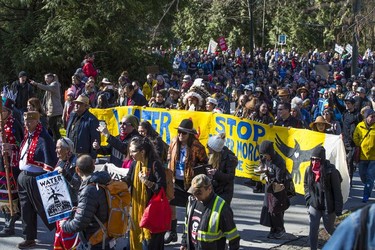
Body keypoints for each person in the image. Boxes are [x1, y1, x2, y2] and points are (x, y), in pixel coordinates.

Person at [16, 111, 57, 249]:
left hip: (36, 178)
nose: (27, 124)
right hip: (23, 177)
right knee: (26, 209)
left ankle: (62, 232)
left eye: (30, 121)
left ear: (37, 122)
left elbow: (49, 157)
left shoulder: (44, 137)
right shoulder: (28, 136)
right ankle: (29, 237)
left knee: (44, 208)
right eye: (26, 121)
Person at [165, 119, 208, 244]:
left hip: (189, 182)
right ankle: (172, 231)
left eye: (184, 133)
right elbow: (169, 155)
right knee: (170, 203)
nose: (180, 135)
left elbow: (204, 162)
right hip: (174, 180)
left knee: (190, 209)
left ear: (189, 134)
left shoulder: (197, 146)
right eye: (179, 132)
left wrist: (195, 171)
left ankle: (188, 234)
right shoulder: (173, 142)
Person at [60, 154, 113, 250]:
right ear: (93, 167)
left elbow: (79, 224)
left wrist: (64, 225)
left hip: (95, 239)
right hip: (105, 234)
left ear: (77, 170)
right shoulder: (99, 181)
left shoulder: (89, 190)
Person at [124, 137, 167, 250]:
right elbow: (129, 179)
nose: (131, 154)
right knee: (136, 241)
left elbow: (162, 188)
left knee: (150, 245)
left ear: (142, 151)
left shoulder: (155, 164)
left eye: (133, 151)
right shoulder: (134, 164)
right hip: (137, 210)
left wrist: (148, 183)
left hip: (152, 212)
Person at [180, 174, 240, 250]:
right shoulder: (191, 201)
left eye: (199, 193)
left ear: (209, 189)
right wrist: (184, 242)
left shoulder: (221, 207)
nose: (196, 196)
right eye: (194, 192)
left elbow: (233, 237)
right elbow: (187, 225)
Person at [304, 146, 343, 250]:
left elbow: (337, 191)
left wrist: (338, 209)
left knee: (329, 229)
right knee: (313, 229)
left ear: (322, 159)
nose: (314, 162)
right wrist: (308, 199)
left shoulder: (331, 171)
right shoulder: (309, 170)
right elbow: (306, 185)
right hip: (314, 205)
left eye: (317, 159)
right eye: (312, 159)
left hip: (328, 207)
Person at [0, 94, 23, 237]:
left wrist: (11, 147)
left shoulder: (14, 124)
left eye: (2, 110)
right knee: (2, 195)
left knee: (11, 194)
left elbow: (22, 145)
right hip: (1, 165)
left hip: (11, 165)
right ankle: (7, 218)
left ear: (8, 111)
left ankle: (11, 223)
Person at [259, 140, 289, 239]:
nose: (265, 157)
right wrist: (263, 173)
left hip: (278, 189)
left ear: (270, 153)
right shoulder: (265, 159)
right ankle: (273, 229)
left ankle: (280, 229)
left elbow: (279, 179)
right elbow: (263, 166)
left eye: (266, 155)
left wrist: (268, 176)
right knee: (268, 210)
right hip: (269, 188)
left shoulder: (279, 162)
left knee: (276, 209)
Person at [30, 73, 64, 143]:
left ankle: (55, 140)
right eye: (45, 78)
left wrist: (36, 84)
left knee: (51, 125)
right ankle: (58, 140)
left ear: (51, 78)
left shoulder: (55, 84)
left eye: (47, 78)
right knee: (54, 127)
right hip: (51, 110)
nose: (45, 80)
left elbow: (46, 88)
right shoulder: (51, 85)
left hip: (55, 110)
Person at [206, 133, 238, 205]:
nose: (207, 149)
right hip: (213, 189)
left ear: (214, 150)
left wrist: (216, 174)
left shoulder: (229, 158)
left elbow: (230, 177)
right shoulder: (211, 156)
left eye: (208, 147)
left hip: (224, 192)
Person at [66, 95, 100, 159]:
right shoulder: (72, 116)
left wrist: (93, 157)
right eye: (76, 103)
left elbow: (95, 140)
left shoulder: (92, 120)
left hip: (83, 156)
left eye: (79, 103)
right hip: (70, 154)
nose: (76, 105)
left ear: (86, 106)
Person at [353, 108, 375, 203]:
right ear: (366, 117)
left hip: (373, 157)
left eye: (374, 117)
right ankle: (369, 185)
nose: (373, 118)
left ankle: (366, 195)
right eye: (371, 117)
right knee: (362, 176)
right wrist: (359, 144)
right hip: (362, 156)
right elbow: (355, 136)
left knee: (370, 176)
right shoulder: (360, 126)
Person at [54, 137, 81, 206]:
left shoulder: (75, 163)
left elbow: (77, 185)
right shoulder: (60, 161)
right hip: (60, 200)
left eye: (58, 148)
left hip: (72, 202)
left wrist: (65, 174)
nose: (56, 150)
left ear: (67, 150)